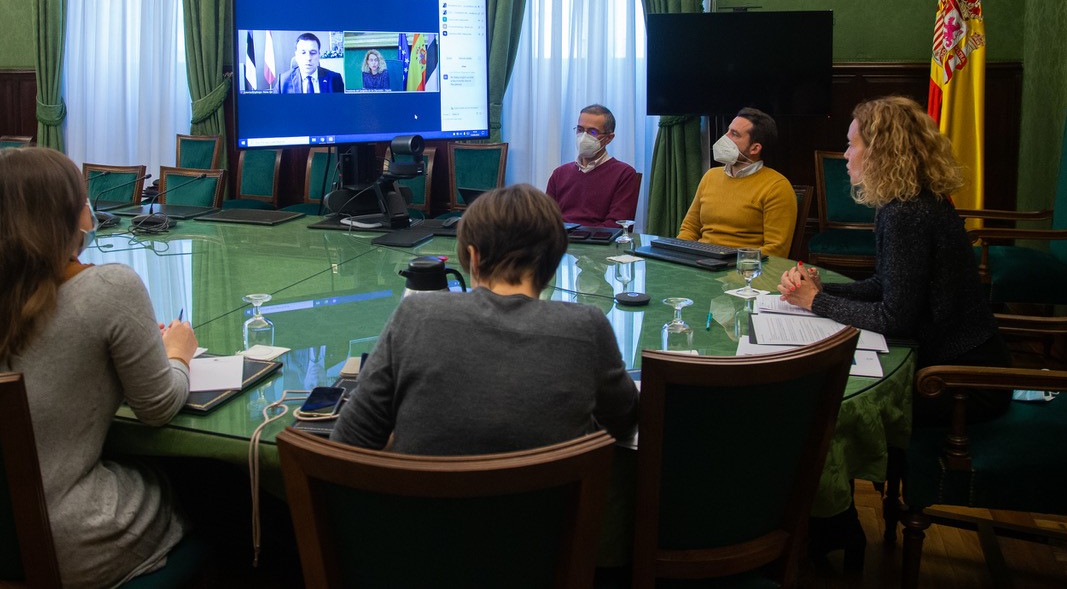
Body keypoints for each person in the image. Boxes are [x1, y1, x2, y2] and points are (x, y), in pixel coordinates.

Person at [0, 147, 198, 588]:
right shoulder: (109, 287)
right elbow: (157, 408)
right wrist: (177, 352)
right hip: (62, 542)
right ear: (76, 215)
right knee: (199, 489)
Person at [330, 184, 638, 454]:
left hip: (419, 517)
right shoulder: (588, 325)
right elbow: (624, 428)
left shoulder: (416, 313)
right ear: (554, 261)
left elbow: (349, 442)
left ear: (473, 257)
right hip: (552, 519)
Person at [777, 96, 1009, 424]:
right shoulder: (903, 202)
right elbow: (885, 285)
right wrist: (821, 290)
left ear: (879, 151)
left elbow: (894, 319)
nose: (845, 155)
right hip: (951, 363)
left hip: (962, 382)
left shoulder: (907, 213)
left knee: (819, 407)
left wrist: (816, 302)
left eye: (851, 145)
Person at [678, 107, 797, 257]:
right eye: (728, 131)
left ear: (754, 148)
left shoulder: (777, 187)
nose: (725, 137)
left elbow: (776, 250)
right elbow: (689, 228)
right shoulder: (710, 176)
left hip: (741, 270)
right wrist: (680, 256)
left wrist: (728, 263)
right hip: (700, 264)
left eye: (734, 134)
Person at [545, 104, 640, 228]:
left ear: (609, 138)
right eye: (580, 129)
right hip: (560, 241)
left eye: (592, 132)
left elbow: (618, 225)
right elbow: (546, 218)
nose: (583, 137)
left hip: (599, 244)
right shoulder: (559, 173)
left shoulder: (625, 174)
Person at [276, 32, 345, 93]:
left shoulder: (335, 79)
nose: (308, 58)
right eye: (303, 53)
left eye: (313, 53)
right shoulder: (282, 81)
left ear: (319, 55)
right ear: (296, 56)